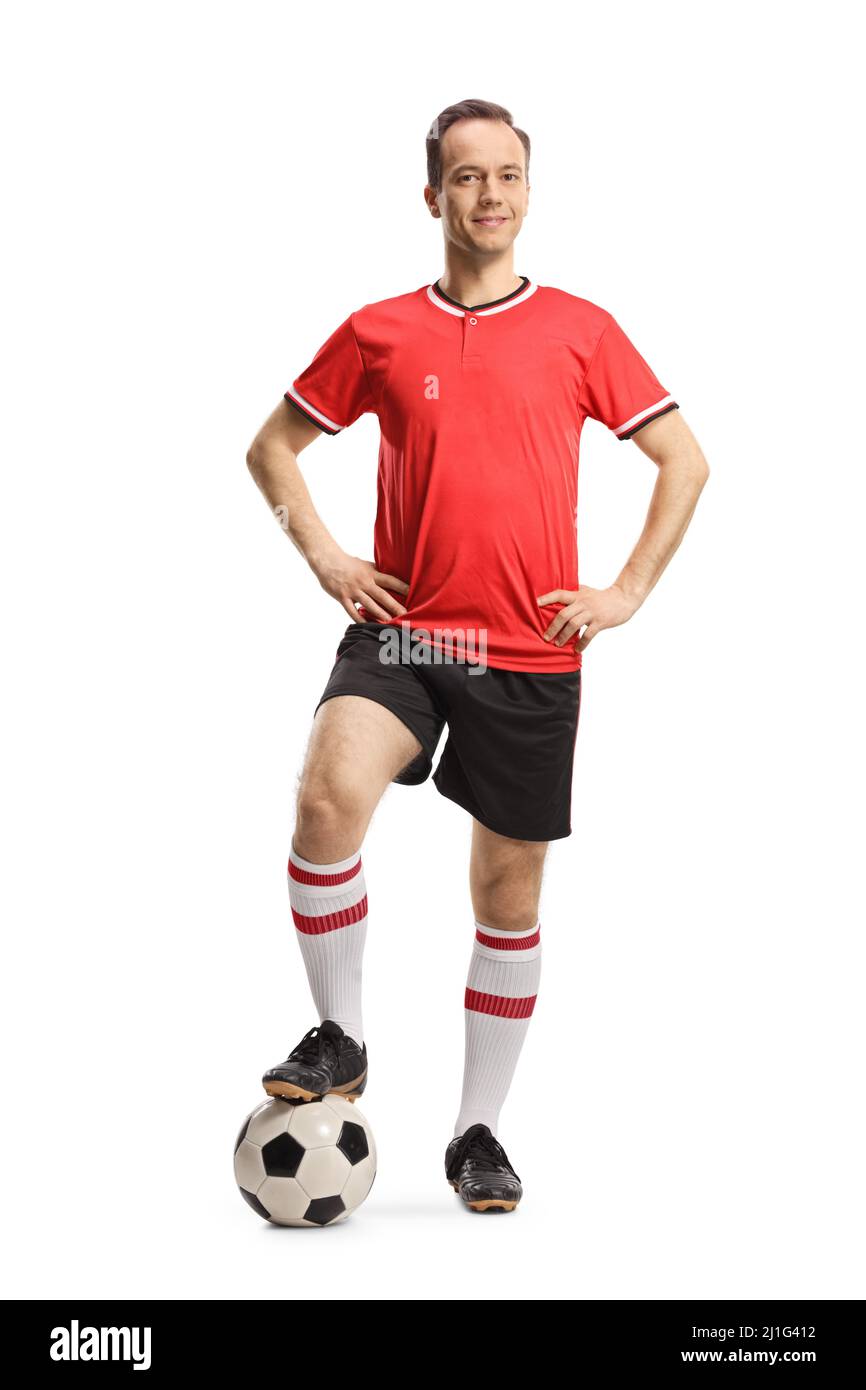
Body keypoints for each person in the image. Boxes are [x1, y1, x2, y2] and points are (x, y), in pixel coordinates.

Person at [245, 97, 709, 1214]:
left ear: (526, 192)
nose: (488, 194)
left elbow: (682, 460)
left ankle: (476, 1133)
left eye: (505, 175)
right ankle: (340, 1038)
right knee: (324, 801)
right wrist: (325, 556)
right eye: (465, 177)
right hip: (404, 631)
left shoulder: (582, 330)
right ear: (432, 196)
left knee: (506, 893)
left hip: (529, 652)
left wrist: (626, 590)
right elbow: (271, 446)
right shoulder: (378, 331)